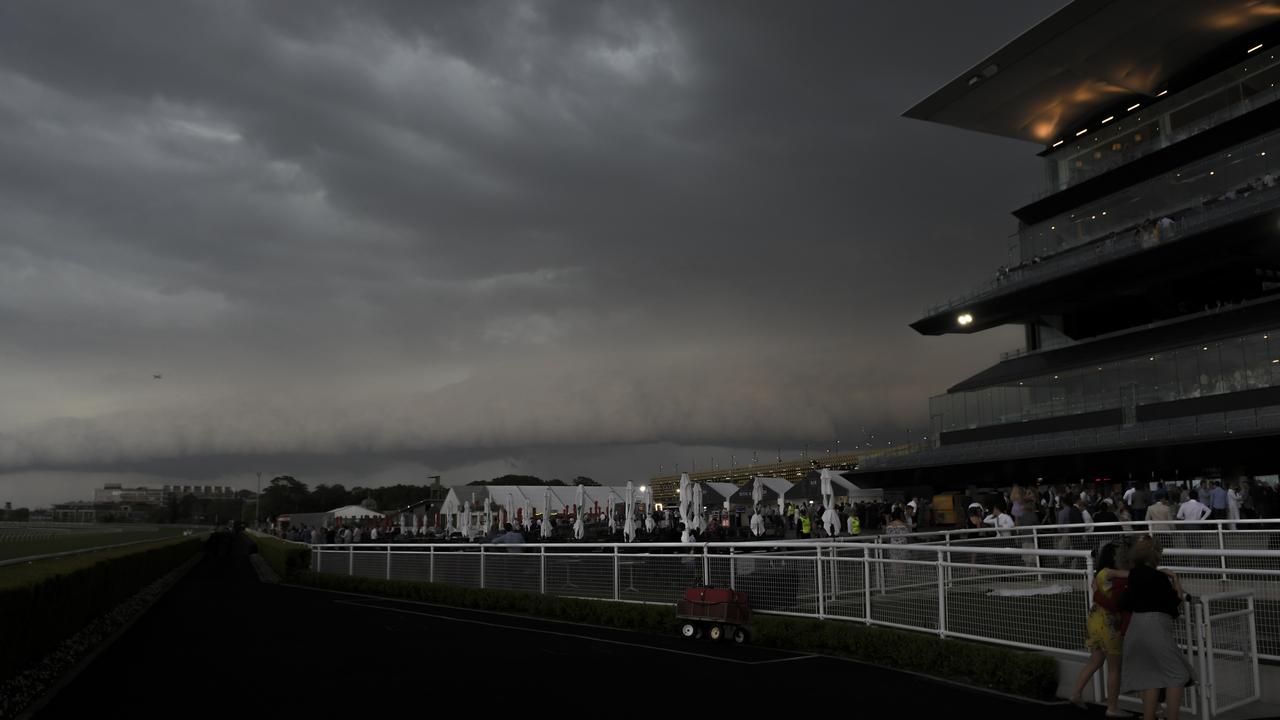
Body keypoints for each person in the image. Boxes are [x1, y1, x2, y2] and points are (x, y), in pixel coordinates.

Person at [1120, 536, 1194, 720]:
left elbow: (1125, 601)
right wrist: (1175, 580)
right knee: (1178, 675)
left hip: (1135, 626)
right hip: (1156, 626)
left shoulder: (1134, 574)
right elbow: (1174, 605)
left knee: (1149, 678)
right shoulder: (1160, 577)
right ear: (1155, 555)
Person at [1071, 542, 1131, 716]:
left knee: (1095, 660)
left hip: (1095, 620)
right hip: (1109, 623)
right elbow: (1130, 575)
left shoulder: (1099, 575)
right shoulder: (1110, 573)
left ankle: (1076, 693)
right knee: (1114, 668)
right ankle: (1112, 708)